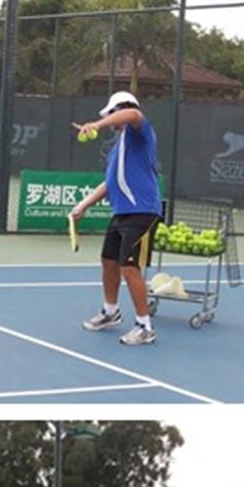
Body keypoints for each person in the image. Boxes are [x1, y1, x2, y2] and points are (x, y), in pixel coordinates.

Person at [70, 90, 163, 346]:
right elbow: (109, 183)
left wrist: (96, 124)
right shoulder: (118, 149)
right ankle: (110, 312)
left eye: (111, 114)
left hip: (143, 211)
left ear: (119, 110)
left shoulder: (140, 133)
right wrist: (83, 205)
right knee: (108, 261)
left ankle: (144, 327)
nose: (109, 121)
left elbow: (133, 114)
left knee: (129, 267)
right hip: (121, 212)